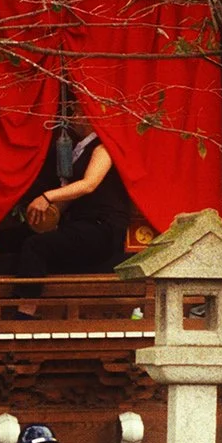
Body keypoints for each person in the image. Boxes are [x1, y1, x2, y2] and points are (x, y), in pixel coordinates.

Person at [12, 113, 131, 316]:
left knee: (35, 246)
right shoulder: (81, 148)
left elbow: (88, 185)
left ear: (88, 117)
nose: (72, 117)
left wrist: (46, 197)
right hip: (81, 224)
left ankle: (26, 312)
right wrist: (50, 216)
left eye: (76, 113)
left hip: (102, 227)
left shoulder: (103, 148)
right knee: (22, 239)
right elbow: (70, 197)